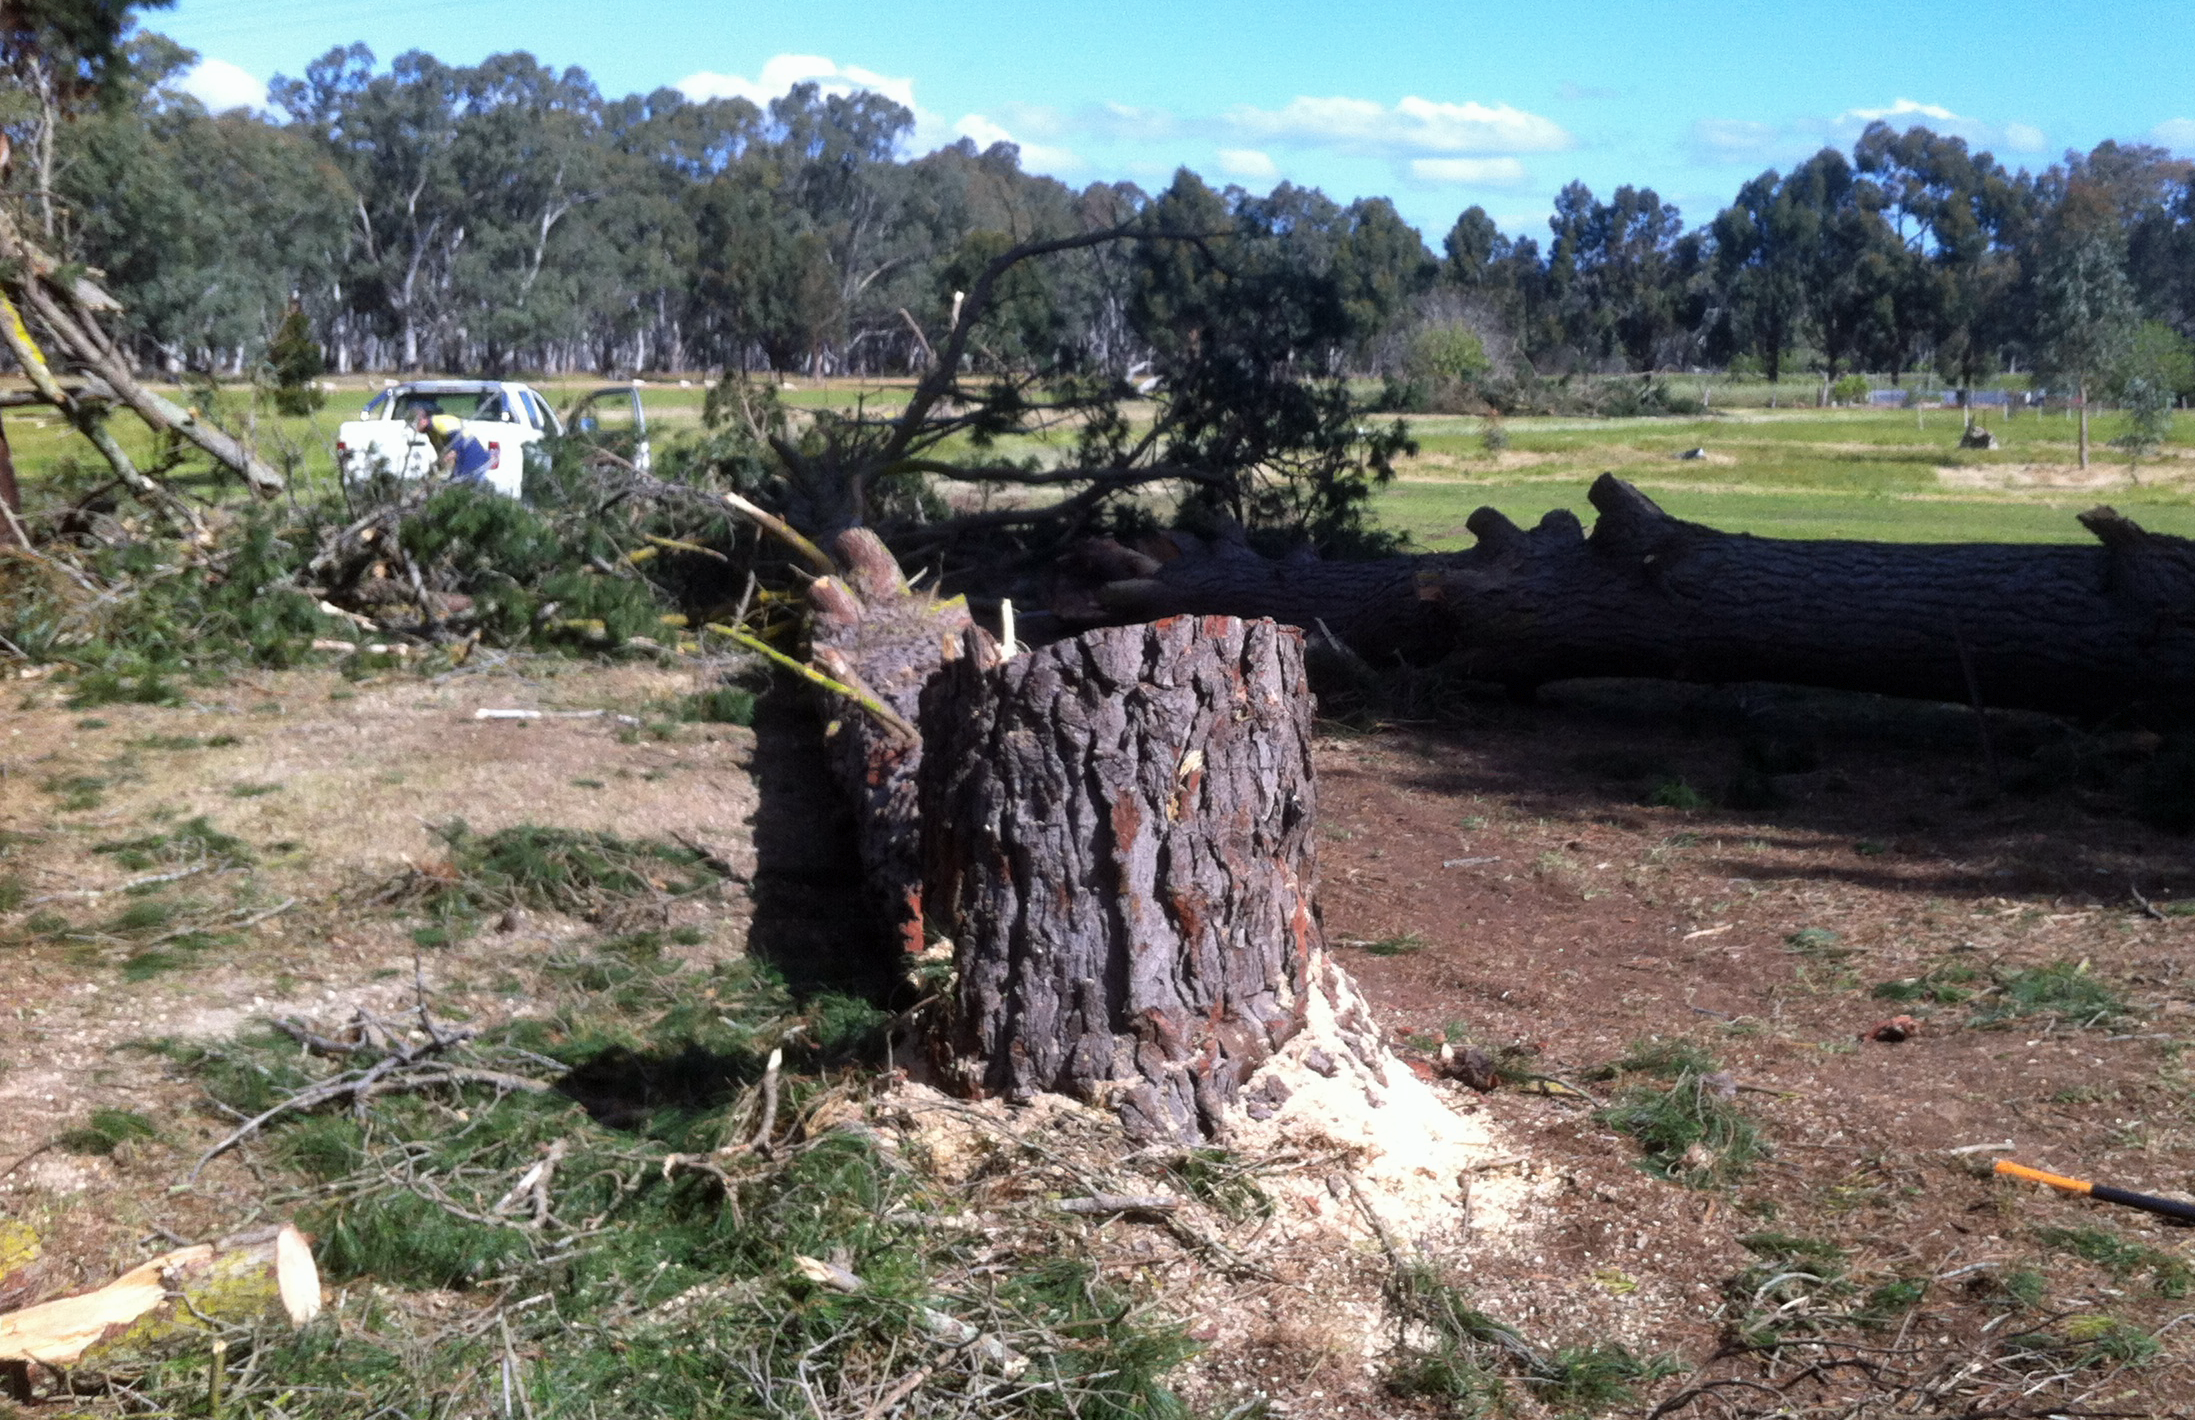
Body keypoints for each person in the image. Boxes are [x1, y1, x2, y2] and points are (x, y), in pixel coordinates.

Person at [409, 405, 492, 483]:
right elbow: (441, 451)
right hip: (461, 458)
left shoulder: (440, 422)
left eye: (415, 424)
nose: (415, 429)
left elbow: (458, 439)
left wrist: (449, 456)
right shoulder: (431, 431)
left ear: (423, 420)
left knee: (466, 485)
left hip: (472, 456)